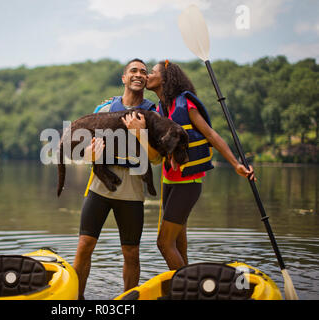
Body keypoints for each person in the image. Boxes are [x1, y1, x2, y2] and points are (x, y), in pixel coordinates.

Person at [145, 60, 255, 270]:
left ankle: (185, 289)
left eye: (152, 72)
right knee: (178, 243)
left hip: (188, 183)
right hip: (169, 181)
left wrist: (236, 164)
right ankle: (188, 285)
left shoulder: (185, 104)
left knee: (163, 243)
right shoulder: (160, 108)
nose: (148, 76)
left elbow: (211, 135)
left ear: (165, 78)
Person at [72, 58, 160, 299]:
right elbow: (84, 153)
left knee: (131, 252)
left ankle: (127, 301)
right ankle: (77, 300)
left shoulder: (152, 113)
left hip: (132, 189)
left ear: (146, 79)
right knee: (84, 247)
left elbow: (155, 159)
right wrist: (90, 153)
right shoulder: (104, 110)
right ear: (124, 77)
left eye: (143, 71)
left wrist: (140, 134)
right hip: (99, 187)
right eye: (133, 70)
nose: (139, 74)